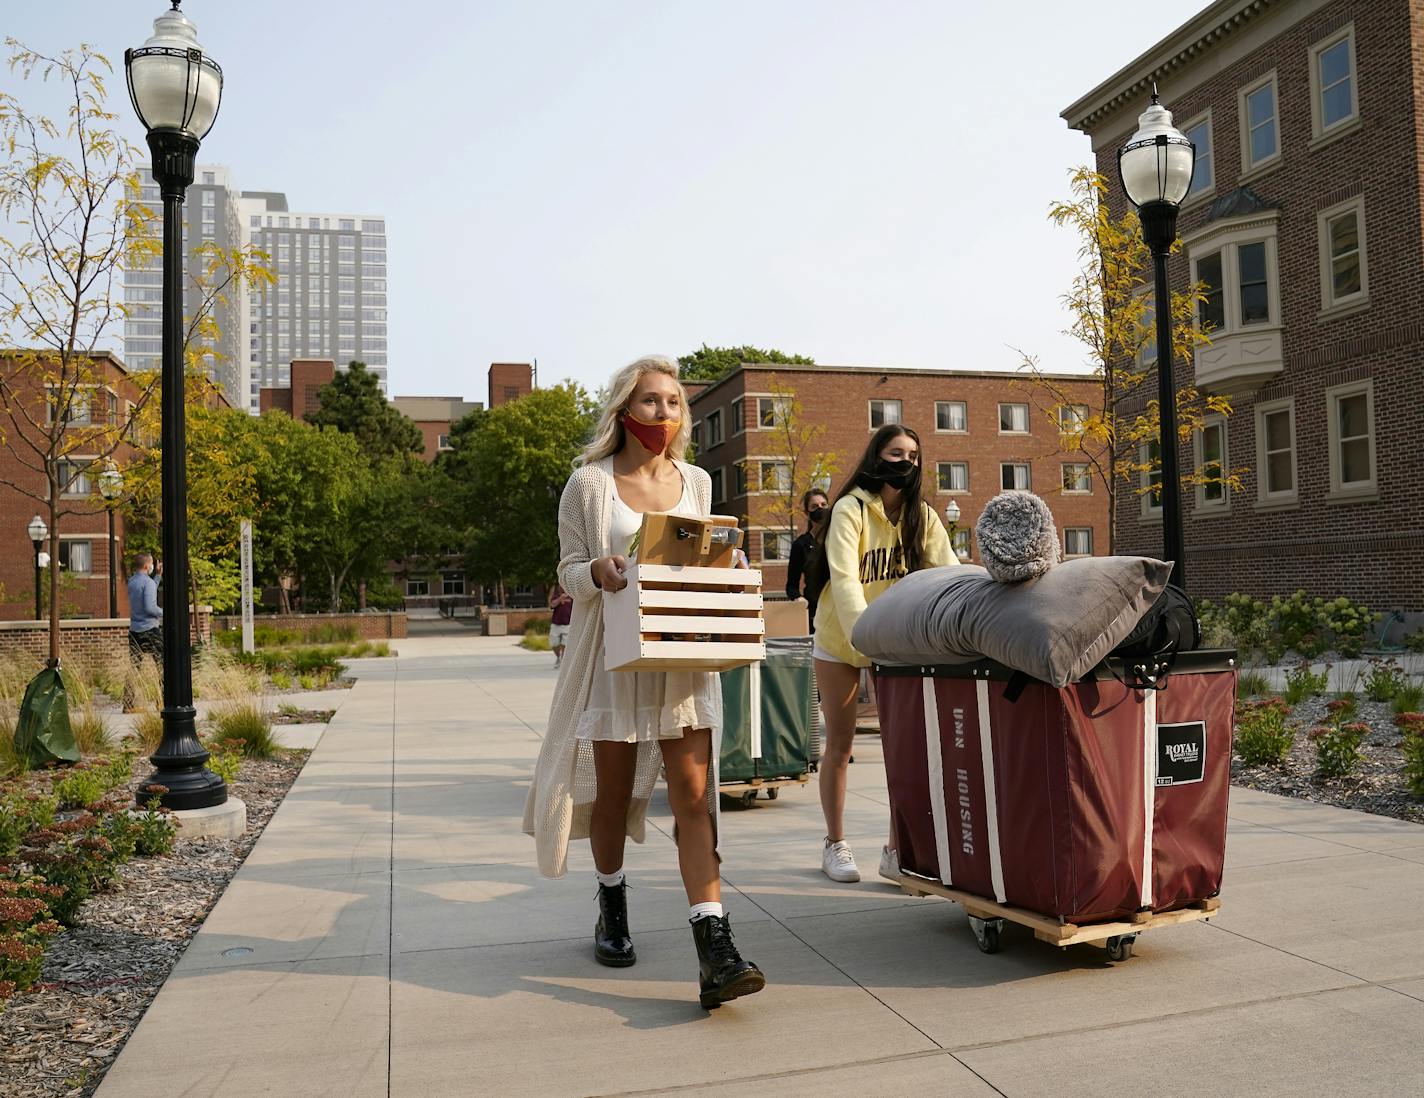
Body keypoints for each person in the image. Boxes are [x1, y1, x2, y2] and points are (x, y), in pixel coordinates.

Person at [523, 354, 765, 1010]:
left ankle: (715, 945)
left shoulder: (696, 480)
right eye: (653, 400)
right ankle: (611, 904)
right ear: (626, 410)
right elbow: (569, 568)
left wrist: (728, 559)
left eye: (675, 402)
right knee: (613, 792)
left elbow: (696, 558)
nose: (665, 412)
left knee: (693, 794)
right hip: (613, 656)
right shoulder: (589, 484)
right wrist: (596, 571)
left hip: (680, 655)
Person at [813, 424, 956, 884]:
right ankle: (834, 844)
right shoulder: (850, 509)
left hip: (895, 643)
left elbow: (947, 570)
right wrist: (865, 635)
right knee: (840, 744)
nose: (906, 462)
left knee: (903, 750)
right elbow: (845, 578)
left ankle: (897, 851)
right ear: (877, 457)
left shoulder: (924, 516)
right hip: (842, 637)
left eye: (913, 456)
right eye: (896, 453)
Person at [122, 553, 163, 711]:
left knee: (134, 668)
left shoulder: (132, 581)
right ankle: (162, 701)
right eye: (152, 563)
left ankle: (128, 704)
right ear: (147, 566)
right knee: (162, 665)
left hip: (134, 631)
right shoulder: (148, 583)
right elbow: (150, 608)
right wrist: (167, 612)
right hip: (150, 631)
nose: (153, 565)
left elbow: (146, 590)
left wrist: (157, 576)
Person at [784, 488, 829, 628]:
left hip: (839, 607)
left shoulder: (840, 538)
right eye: (814, 506)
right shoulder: (800, 545)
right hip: (814, 613)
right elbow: (791, 586)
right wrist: (798, 599)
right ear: (807, 513)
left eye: (823, 505)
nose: (820, 509)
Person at [547, 581, 573, 668]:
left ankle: (562, 661)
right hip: (556, 623)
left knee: (565, 644)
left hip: (568, 624)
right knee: (554, 644)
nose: (562, 587)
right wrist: (559, 599)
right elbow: (551, 605)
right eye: (560, 585)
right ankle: (558, 656)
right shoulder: (556, 596)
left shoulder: (572, 596)